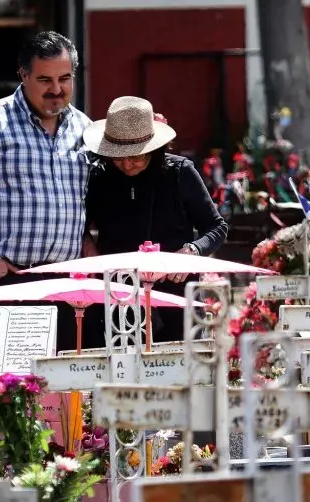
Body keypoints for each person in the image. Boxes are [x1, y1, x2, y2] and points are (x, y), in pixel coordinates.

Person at [0, 31, 94, 352]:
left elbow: (91, 198)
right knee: (5, 391)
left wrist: (90, 239)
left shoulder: (85, 129)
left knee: (66, 392)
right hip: (6, 281)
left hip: (66, 285)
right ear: (23, 75)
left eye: (65, 78)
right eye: (45, 80)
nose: (56, 89)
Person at [82, 96, 229, 345]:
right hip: (120, 293)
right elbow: (81, 226)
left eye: (136, 157)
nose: (127, 164)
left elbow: (217, 227)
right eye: (118, 157)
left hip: (176, 293)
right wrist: (90, 248)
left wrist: (192, 250)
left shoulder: (180, 173)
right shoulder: (100, 177)